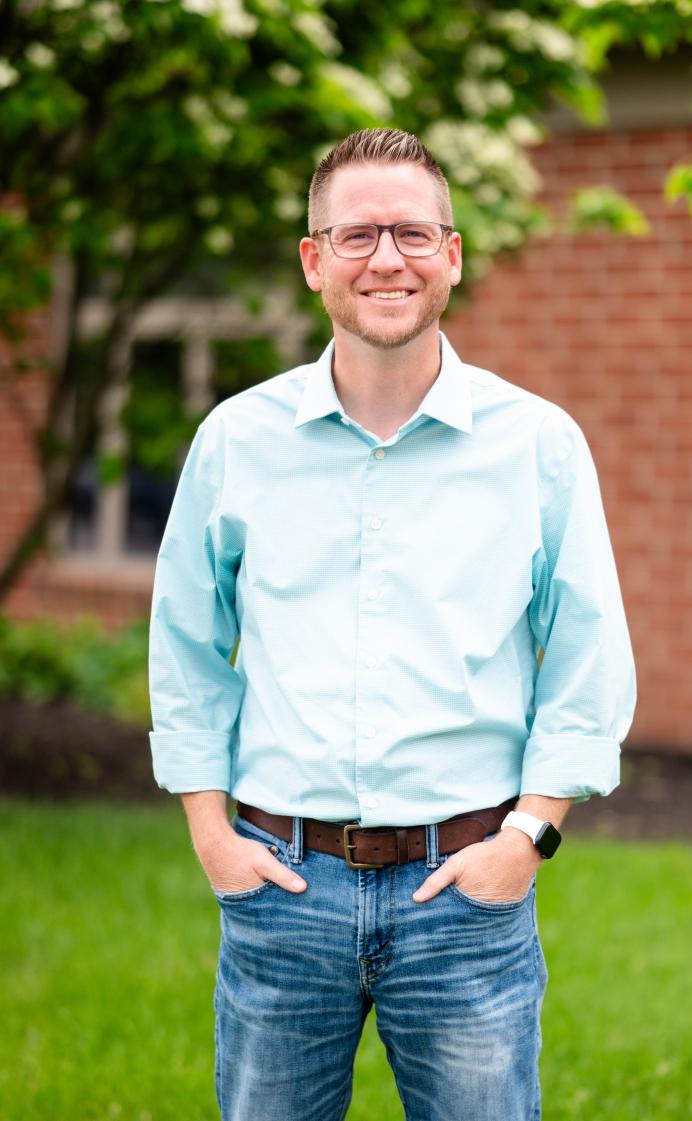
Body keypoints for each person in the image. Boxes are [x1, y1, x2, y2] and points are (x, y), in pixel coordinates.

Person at [148, 127, 636, 1121]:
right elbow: (186, 644)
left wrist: (528, 837)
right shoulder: (236, 440)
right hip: (277, 892)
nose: (386, 258)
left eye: (412, 233)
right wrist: (210, 833)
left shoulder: (536, 445)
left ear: (450, 255)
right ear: (313, 260)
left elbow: (584, 658)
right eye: (357, 233)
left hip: (465, 896)